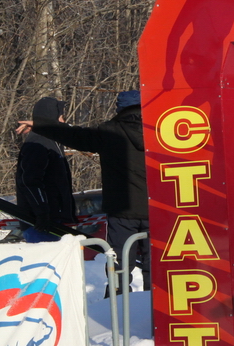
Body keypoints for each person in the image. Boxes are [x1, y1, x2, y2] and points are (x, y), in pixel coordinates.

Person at [19, 90, 150, 294]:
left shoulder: (109, 132)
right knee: (158, 266)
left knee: (119, 266)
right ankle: (158, 312)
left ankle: (117, 309)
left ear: (119, 109)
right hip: (156, 210)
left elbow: (74, 136)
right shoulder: (162, 132)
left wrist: (41, 124)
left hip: (121, 212)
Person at [14, 97, 76, 243]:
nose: (62, 121)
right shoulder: (38, 143)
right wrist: (42, 213)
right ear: (51, 117)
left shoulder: (51, 140)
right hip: (40, 225)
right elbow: (29, 181)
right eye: (60, 116)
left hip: (54, 221)